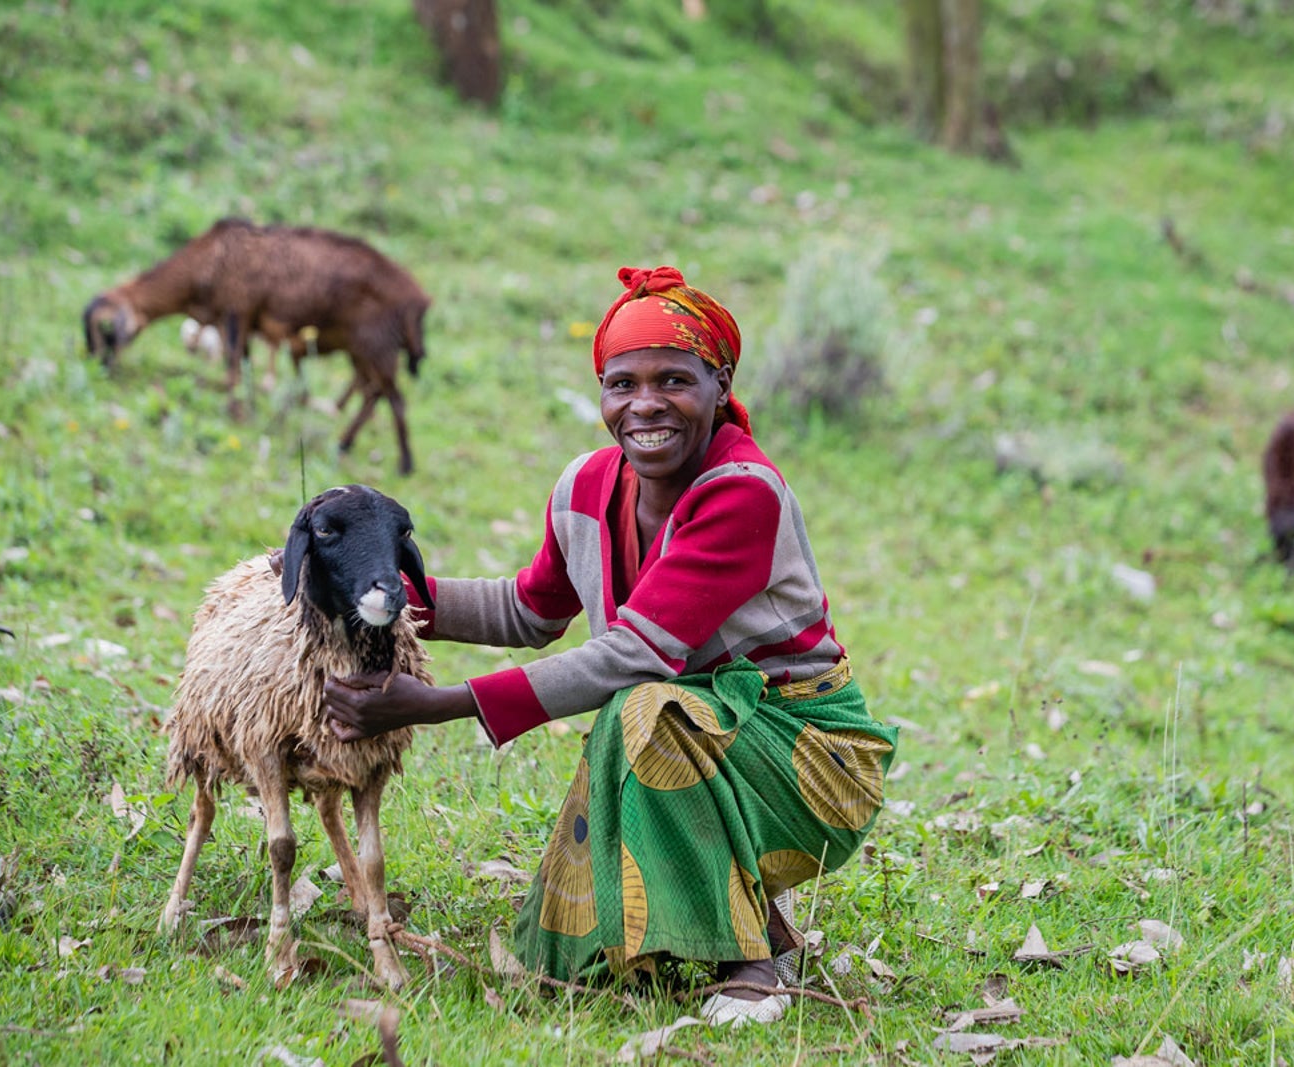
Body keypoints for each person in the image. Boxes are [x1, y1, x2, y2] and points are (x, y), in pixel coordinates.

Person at [321, 265, 898, 1027]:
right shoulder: (585, 486)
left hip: (809, 757)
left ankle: (753, 962)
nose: (646, 404)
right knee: (648, 724)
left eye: (674, 380)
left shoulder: (742, 492)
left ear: (720, 384)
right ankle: (741, 922)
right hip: (713, 734)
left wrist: (436, 704)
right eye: (621, 383)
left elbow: (634, 655)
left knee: (646, 709)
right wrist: (380, 591)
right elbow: (528, 608)